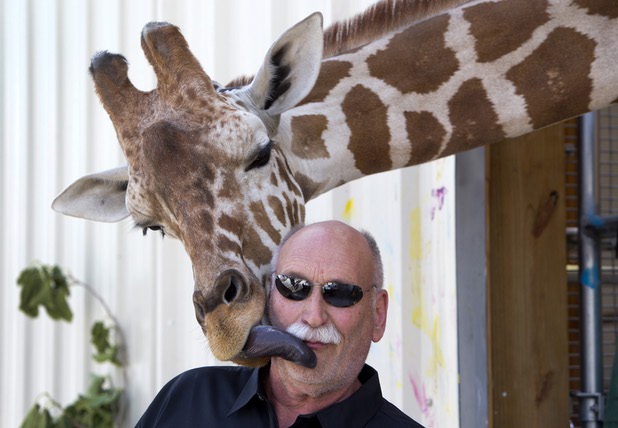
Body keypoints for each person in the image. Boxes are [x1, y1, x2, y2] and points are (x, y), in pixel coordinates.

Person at [136, 220, 423, 427]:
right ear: (271, 295)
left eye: (339, 293)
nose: (313, 316)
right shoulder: (189, 396)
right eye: (294, 287)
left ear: (378, 315)